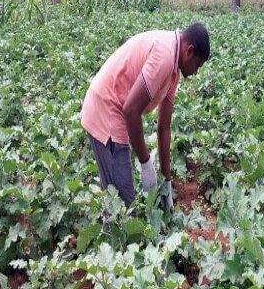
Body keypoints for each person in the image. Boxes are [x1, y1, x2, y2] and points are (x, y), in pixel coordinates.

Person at [81, 23, 210, 210]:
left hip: (114, 112)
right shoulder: (165, 56)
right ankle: (111, 235)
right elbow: (131, 110)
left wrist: (166, 182)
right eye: (197, 65)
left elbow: (164, 127)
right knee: (122, 210)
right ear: (189, 51)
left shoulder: (174, 67)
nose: (196, 72)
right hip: (105, 110)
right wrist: (146, 163)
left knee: (119, 206)